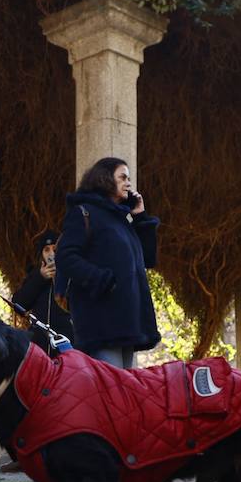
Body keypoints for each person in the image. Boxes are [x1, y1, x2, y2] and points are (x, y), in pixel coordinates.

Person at [55, 157, 160, 368]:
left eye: (128, 179)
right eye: (122, 177)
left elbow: (148, 259)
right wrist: (101, 280)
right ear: (104, 179)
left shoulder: (122, 221)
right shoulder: (84, 213)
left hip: (128, 324)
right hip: (101, 323)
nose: (128, 183)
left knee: (124, 394)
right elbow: (65, 256)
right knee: (109, 395)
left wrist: (140, 217)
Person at [11, 229, 74, 353]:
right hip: (41, 346)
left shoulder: (73, 272)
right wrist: (40, 278)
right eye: (46, 250)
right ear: (42, 255)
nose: (51, 253)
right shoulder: (34, 275)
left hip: (69, 344)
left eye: (54, 248)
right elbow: (18, 304)